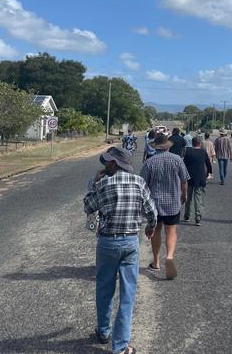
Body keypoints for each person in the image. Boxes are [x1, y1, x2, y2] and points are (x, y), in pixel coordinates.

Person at [84, 147, 157, 354]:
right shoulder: (139, 182)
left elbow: (88, 207)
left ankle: (104, 331)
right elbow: (152, 211)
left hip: (107, 242)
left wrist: (94, 184)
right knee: (128, 294)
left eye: (107, 161)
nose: (104, 165)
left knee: (104, 289)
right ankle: (121, 346)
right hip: (130, 241)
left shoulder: (104, 183)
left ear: (115, 164)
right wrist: (151, 226)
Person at [140, 133, 190, 280]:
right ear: (168, 146)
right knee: (171, 231)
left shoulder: (149, 162)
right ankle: (169, 256)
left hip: (154, 204)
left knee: (156, 231)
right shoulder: (177, 160)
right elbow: (184, 180)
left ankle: (156, 262)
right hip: (173, 202)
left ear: (156, 146)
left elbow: (142, 184)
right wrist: (184, 194)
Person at [183, 137, 212, 226]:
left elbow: (183, 164)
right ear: (199, 143)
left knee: (188, 198)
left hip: (189, 178)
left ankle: (187, 215)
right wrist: (209, 172)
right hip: (200, 178)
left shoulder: (188, 152)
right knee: (198, 198)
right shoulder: (203, 152)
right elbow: (208, 164)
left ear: (192, 143)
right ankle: (197, 217)